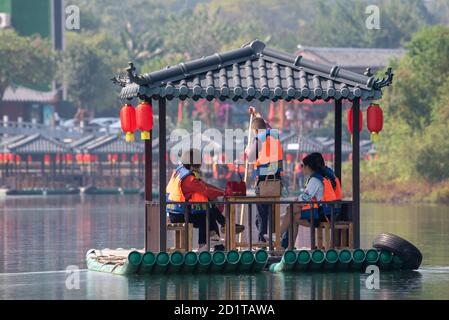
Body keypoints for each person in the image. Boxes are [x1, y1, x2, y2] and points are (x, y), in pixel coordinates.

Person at [166, 149, 243, 251]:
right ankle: (204, 245)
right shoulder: (189, 179)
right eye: (199, 164)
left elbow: (204, 185)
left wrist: (222, 191)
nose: (200, 166)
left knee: (209, 212)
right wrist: (223, 193)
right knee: (205, 215)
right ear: (194, 163)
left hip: (174, 211)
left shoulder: (180, 171)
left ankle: (218, 243)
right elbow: (205, 190)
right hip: (179, 215)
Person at [279, 153, 337, 249]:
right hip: (326, 212)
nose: (302, 168)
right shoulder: (322, 176)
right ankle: (288, 246)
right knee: (292, 213)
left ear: (309, 167)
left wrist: (297, 201)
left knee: (291, 209)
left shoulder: (315, 180)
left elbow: (305, 198)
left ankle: (278, 237)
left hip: (323, 215)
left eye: (303, 166)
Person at [246, 115, 284, 244]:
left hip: (264, 181)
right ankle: (273, 239)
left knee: (261, 214)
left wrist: (248, 150)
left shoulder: (259, 138)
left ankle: (262, 239)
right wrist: (257, 114)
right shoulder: (274, 136)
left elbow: (251, 157)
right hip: (277, 179)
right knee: (272, 211)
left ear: (256, 131)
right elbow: (264, 123)